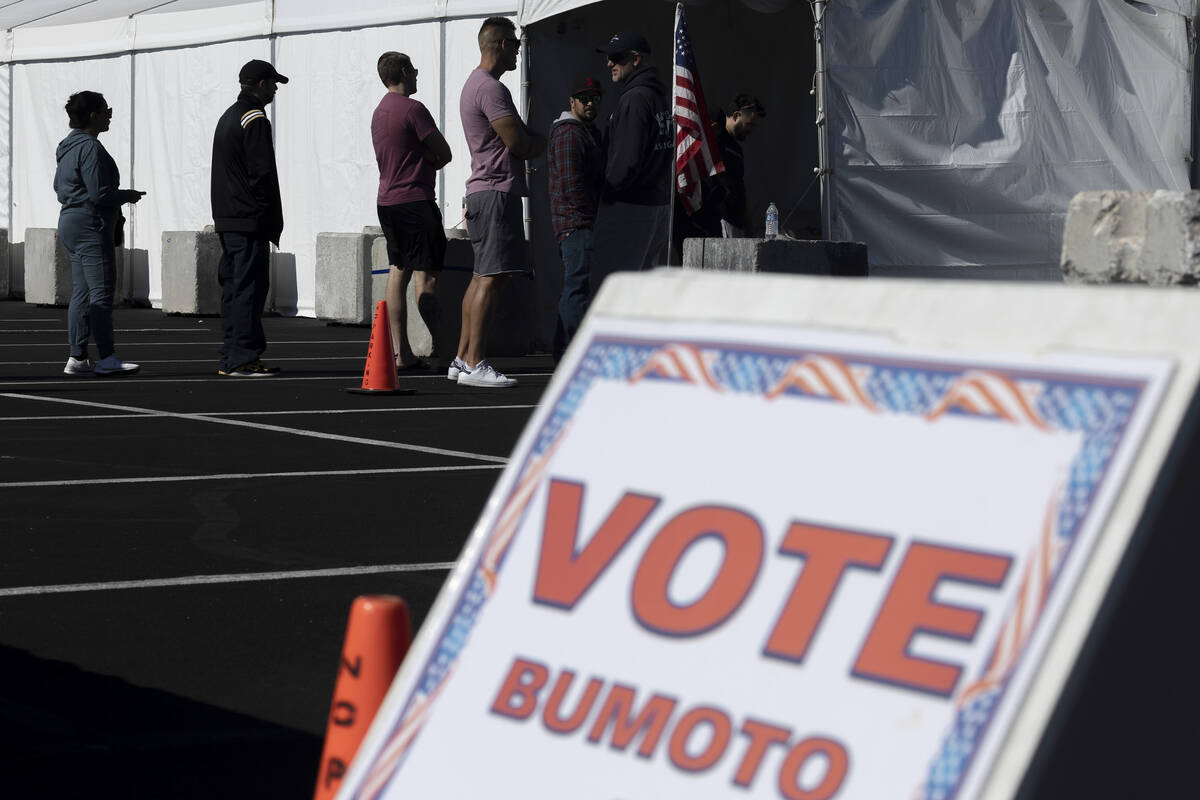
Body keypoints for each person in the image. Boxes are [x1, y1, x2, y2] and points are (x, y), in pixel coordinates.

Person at [453, 17, 545, 388]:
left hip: (485, 191)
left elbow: (519, 134)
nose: (519, 52)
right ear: (502, 45)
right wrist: (542, 142)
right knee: (490, 279)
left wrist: (529, 138)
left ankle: (462, 358)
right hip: (494, 192)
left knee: (481, 278)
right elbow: (520, 143)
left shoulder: (479, 85)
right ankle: (474, 361)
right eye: (516, 45)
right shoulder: (490, 89)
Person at [372, 51, 453, 372]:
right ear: (404, 72)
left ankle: (401, 352)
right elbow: (444, 152)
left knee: (398, 270)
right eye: (415, 71)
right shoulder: (413, 110)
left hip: (387, 201)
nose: (417, 76)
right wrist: (426, 163)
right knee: (427, 278)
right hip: (416, 201)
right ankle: (450, 353)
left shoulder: (379, 111)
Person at [54, 90, 144, 377]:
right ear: (93, 115)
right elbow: (99, 193)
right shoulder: (90, 148)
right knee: (101, 292)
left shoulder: (66, 146)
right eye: (106, 110)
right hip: (90, 223)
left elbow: (64, 186)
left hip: (70, 220)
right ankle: (107, 357)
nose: (109, 116)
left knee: (81, 292)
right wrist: (127, 195)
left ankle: (78, 357)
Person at [211, 59, 287, 377]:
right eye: (272, 84)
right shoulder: (254, 118)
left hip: (229, 216)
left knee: (234, 288)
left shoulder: (230, 115)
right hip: (247, 219)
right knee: (248, 289)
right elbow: (262, 173)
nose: (274, 90)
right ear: (260, 85)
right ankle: (242, 357)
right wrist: (267, 215)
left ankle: (233, 353)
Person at [589, 31, 672, 295]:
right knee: (640, 290)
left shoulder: (635, 98)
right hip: (655, 204)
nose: (609, 63)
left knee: (610, 290)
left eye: (615, 57)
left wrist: (607, 196)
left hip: (629, 208)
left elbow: (626, 161)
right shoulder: (658, 97)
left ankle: (611, 338)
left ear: (635, 59)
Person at [548, 76, 605, 363]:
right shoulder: (570, 133)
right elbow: (572, 186)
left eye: (595, 98)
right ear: (572, 102)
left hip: (578, 223)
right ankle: (568, 353)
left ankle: (564, 352)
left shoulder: (586, 131)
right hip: (575, 224)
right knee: (576, 289)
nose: (590, 103)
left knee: (577, 287)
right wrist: (589, 219)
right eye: (584, 98)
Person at [671, 93, 767, 260]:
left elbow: (739, 188)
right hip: (707, 223)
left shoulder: (736, 150)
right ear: (736, 115)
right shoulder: (711, 143)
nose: (751, 130)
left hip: (732, 225)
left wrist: (748, 226)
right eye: (749, 124)